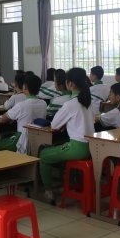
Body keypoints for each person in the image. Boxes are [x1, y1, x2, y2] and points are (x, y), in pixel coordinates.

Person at [39, 68, 94, 203]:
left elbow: (54, 125)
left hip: (77, 148)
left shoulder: (70, 104)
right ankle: (70, 183)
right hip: (91, 146)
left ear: (70, 84)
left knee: (44, 155)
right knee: (60, 147)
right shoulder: (88, 101)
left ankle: (48, 190)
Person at [0, 74, 47, 154]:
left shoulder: (21, 105)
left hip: (21, 139)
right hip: (38, 138)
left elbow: (4, 118)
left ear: (25, 87)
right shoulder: (44, 103)